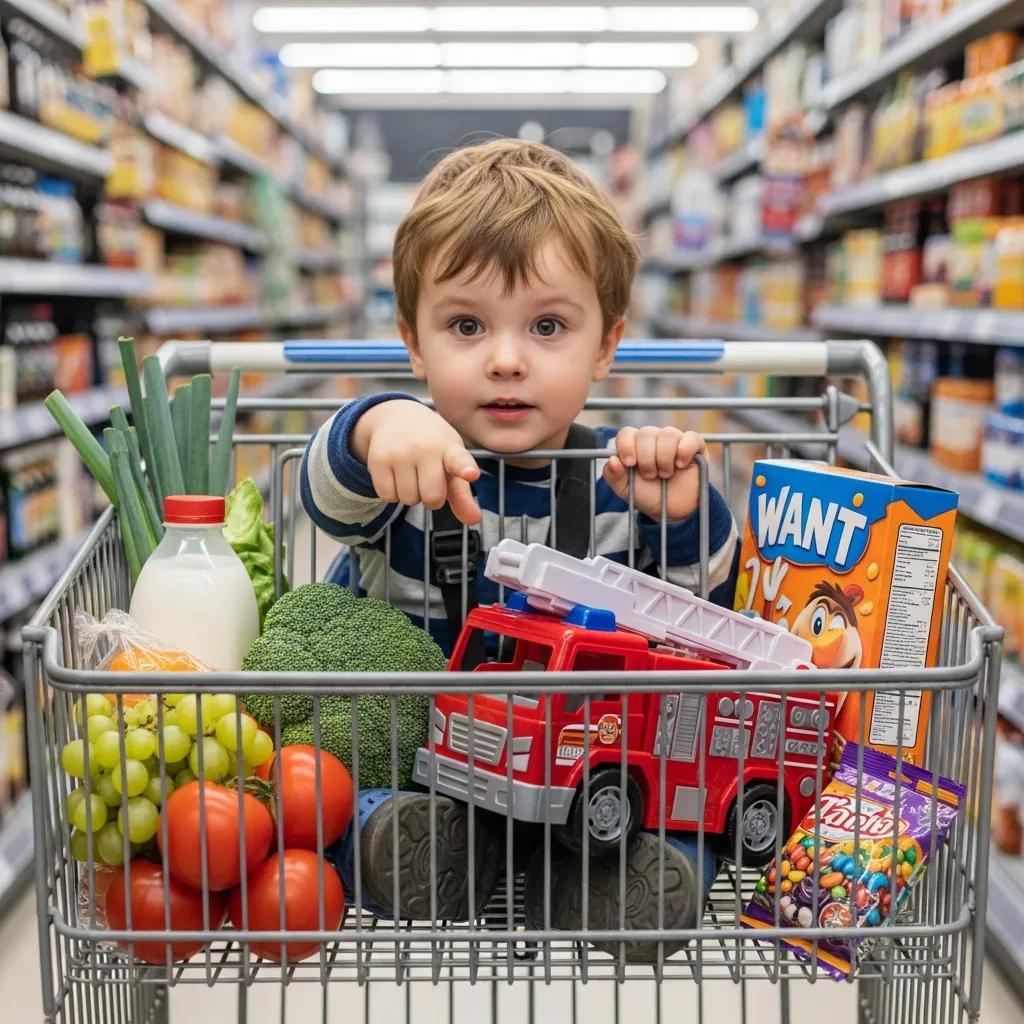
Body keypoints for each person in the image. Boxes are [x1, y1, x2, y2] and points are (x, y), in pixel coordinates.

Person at [305, 138, 738, 922]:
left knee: (676, 811)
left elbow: (700, 612)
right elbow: (323, 495)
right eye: (466, 326)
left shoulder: (620, 482)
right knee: (335, 803)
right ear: (412, 340)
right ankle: (410, 850)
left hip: (579, 767)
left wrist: (678, 514)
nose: (506, 360)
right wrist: (374, 425)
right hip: (425, 767)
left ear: (606, 344)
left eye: (547, 327)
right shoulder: (404, 471)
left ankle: (616, 883)